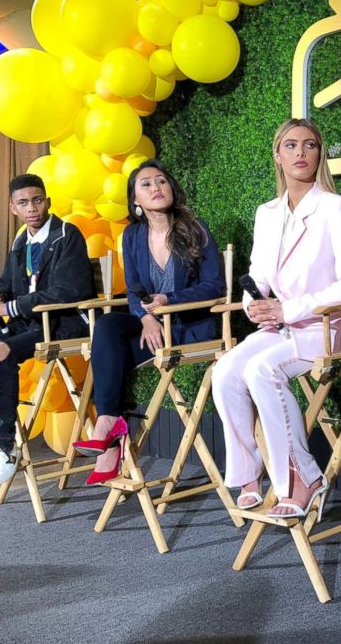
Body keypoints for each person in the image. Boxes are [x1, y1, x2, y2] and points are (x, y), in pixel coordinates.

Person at [211, 118, 341, 519]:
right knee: (226, 369)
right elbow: (258, 277)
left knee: (262, 369)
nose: (301, 153)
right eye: (291, 146)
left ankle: (303, 477)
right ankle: (249, 474)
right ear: (277, 157)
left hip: (333, 330)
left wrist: (288, 309)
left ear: (319, 154)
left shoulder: (334, 207)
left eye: (310, 145)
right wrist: (254, 306)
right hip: (285, 329)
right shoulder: (267, 213)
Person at [73, 159, 225, 485]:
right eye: (146, 184)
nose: (156, 187)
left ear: (171, 189)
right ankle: (110, 423)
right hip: (156, 330)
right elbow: (134, 290)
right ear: (136, 201)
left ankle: (111, 436)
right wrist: (145, 318)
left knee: (110, 353)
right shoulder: (132, 236)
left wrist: (168, 302)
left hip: (189, 329)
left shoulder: (195, 228)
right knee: (109, 327)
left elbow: (215, 286)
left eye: (161, 181)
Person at [0, 174, 93, 488]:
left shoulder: (67, 234)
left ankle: (5, 445)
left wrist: (9, 308)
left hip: (61, 324)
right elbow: (7, 284)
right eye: (23, 203)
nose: (32, 208)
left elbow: (69, 292)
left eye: (37, 200)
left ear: (47, 201)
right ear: (13, 208)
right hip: (27, 324)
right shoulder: (21, 241)